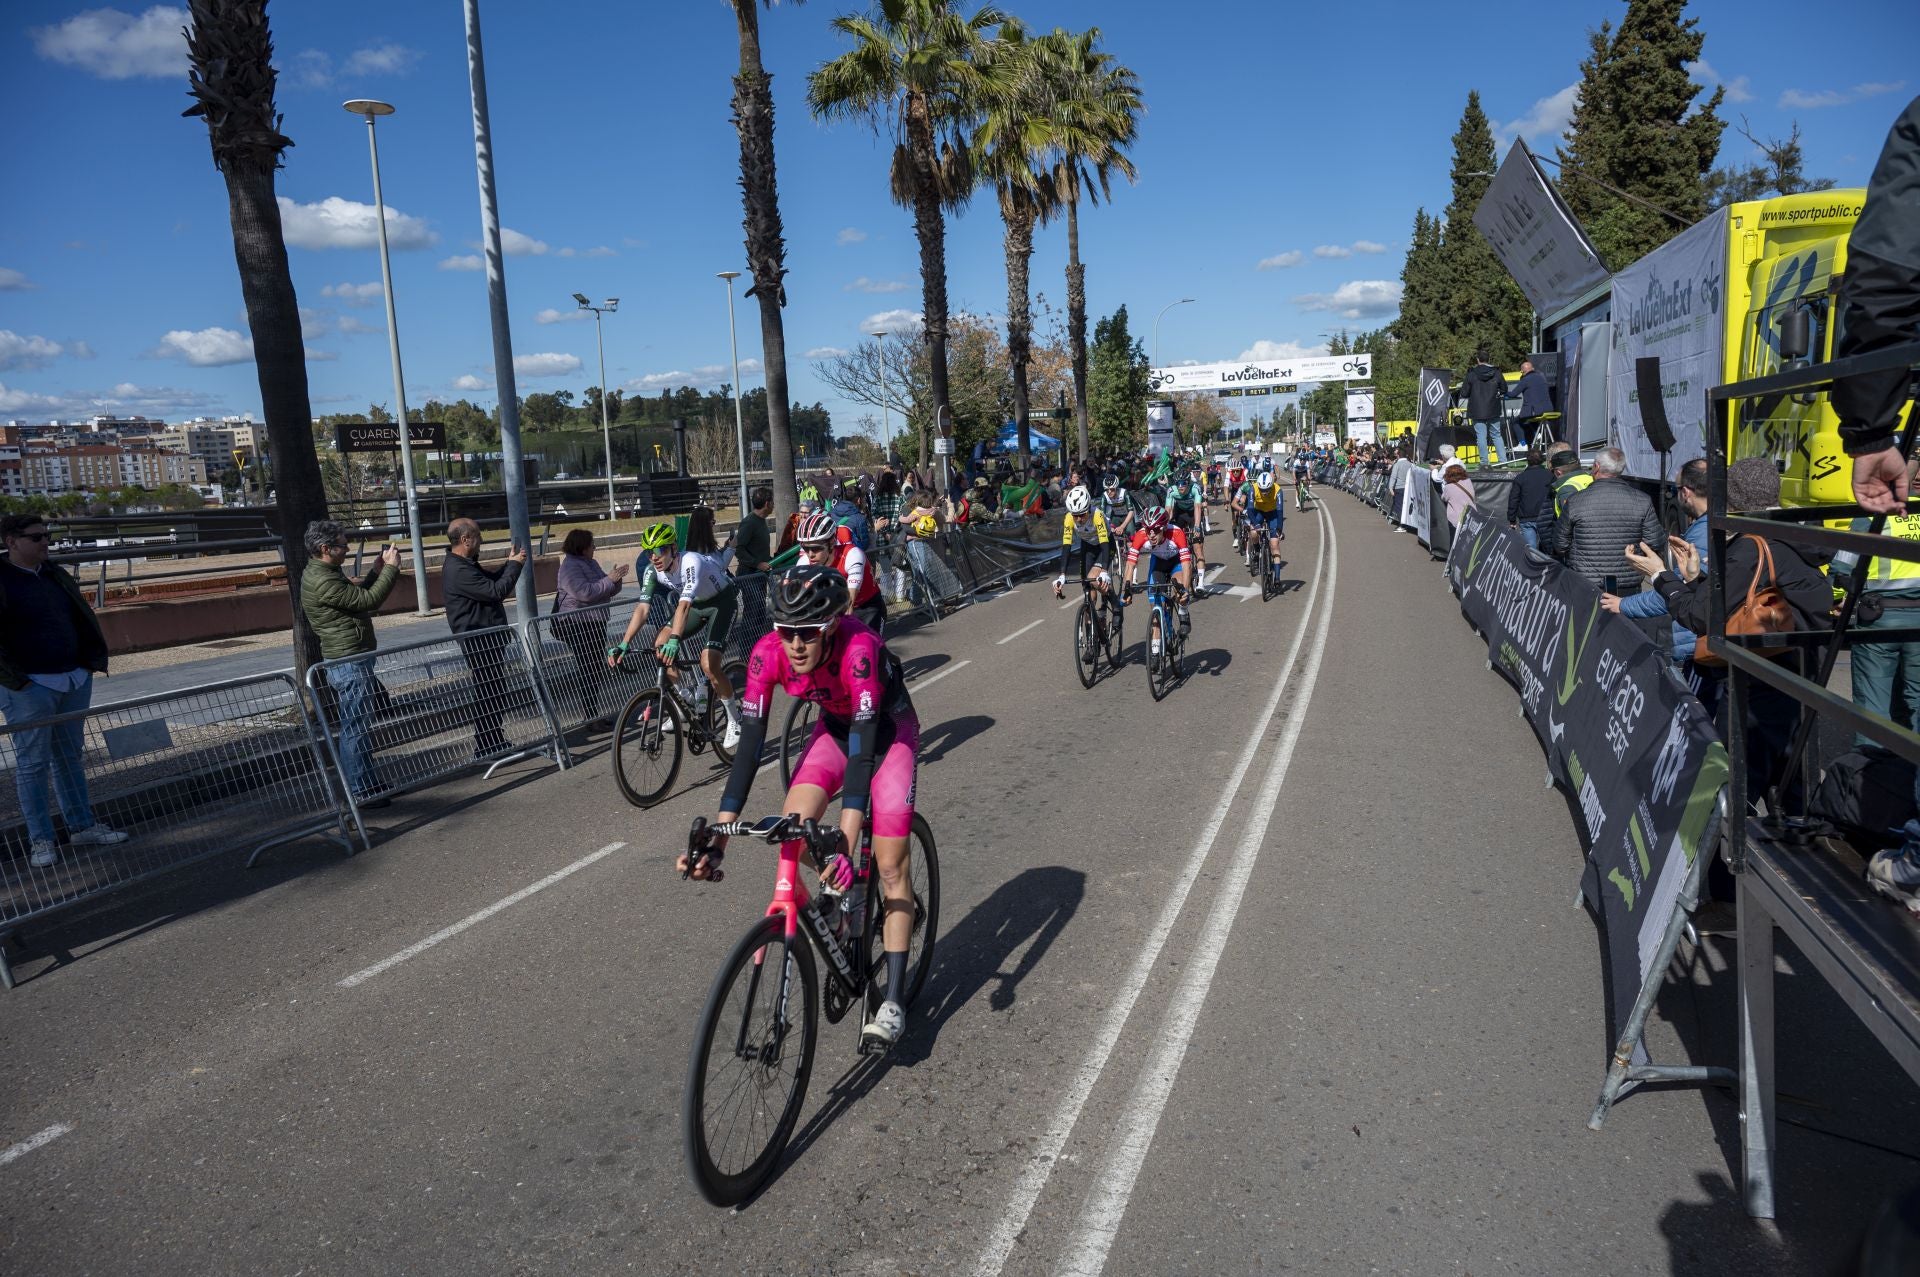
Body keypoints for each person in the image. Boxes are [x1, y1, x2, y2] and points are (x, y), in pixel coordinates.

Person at [689, 566, 922, 1049]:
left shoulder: (859, 650)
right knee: (795, 826)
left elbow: (863, 753)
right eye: (786, 630)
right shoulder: (766, 655)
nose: (795, 644)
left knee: (888, 861)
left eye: (808, 632)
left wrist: (846, 843)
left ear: (833, 625)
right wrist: (720, 836)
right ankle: (840, 911)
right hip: (836, 732)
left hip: (886, 734)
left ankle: (894, 1000)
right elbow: (750, 746)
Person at [1828, 92, 1920, 911]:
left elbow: (1889, 271)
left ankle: (1901, 840)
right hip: (1897, 597)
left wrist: (1870, 422)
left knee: (1883, 709)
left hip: (1887, 598)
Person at [1625, 458, 1833, 814]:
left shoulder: (1749, 546)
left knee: (1738, 780)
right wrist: (1695, 579)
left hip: (1762, 678)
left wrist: (1660, 576)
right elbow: (1735, 602)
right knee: (1790, 773)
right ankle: (1799, 837)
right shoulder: (1789, 534)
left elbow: (1700, 616)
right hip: (1795, 669)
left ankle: (1724, 860)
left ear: (1730, 498)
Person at [0, 513, 129, 868]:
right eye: (37, 537)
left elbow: (79, 616)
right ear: (12, 541)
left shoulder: (54, 574)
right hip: (29, 687)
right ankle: (40, 839)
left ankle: (81, 824)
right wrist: (20, 682)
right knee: (32, 764)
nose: (46, 543)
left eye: (48, 536)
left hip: (72, 678)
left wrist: (86, 665)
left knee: (69, 757)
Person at [609, 514, 744, 750]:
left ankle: (735, 719)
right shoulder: (653, 571)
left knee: (708, 664)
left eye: (659, 550)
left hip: (721, 602)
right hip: (697, 604)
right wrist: (624, 643)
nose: (654, 556)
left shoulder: (691, 561)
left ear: (672, 548)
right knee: (659, 643)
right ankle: (682, 699)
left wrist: (675, 639)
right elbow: (642, 609)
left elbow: (683, 605)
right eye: (649, 551)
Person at [301, 519, 402, 807]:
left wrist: (375, 572)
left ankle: (369, 782)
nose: (347, 549)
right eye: (343, 545)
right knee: (355, 727)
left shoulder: (325, 571)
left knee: (359, 726)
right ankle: (360, 790)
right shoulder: (323, 579)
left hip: (352, 655)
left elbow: (356, 599)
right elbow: (369, 601)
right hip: (348, 661)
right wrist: (392, 569)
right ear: (325, 548)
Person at [1603, 458, 1711, 670]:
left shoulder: (1702, 536)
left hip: (1698, 646)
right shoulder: (1712, 526)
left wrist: (1623, 604)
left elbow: (1677, 594)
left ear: (1686, 492)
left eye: (1677, 488)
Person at [441, 518, 528, 761]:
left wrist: (509, 564)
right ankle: (487, 744)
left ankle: (493, 740)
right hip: (478, 638)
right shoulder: (458, 569)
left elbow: (489, 583)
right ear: (465, 539)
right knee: (488, 691)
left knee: (494, 689)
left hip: (487, 635)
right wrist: (515, 567)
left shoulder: (465, 564)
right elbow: (495, 592)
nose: (482, 541)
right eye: (478, 536)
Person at [1551, 446, 1663, 588]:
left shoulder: (1575, 501)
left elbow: (1560, 544)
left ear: (1596, 467)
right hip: (1628, 582)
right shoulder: (1642, 500)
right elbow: (1655, 541)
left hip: (1586, 583)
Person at [553, 528, 629, 726]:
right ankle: (590, 716)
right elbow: (585, 593)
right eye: (591, 544)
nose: (594, 548)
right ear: (582, 547)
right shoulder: (569, 567)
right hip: (577, 623)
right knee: (588, 668)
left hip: (595, 621)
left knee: (595, 667)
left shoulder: (591, 563)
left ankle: (594, 713)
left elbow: (604, 589)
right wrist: (608, 580)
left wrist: (616, 580)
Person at [795, 509, 886, 634]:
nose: (810, 554)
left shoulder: (852, 554)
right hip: (834, 607)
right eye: (806, 548)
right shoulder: (804, 561)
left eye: (816, 548)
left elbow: (848, 603)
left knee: (869, 648)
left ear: (831, 542)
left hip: (867, 607)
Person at [1123, 507, 1193, 663]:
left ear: (1164, 527)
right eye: (1148, 530)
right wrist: (1126, 589)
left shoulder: (1176, 533)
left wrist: (1185, 591)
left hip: (1176, 564)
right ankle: (1155, 650)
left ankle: (1183, 612)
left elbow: (1187, 565)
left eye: (1155, 530)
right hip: (1158, 565)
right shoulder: (1142, 535)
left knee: (1179, 589)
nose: (1151, 534)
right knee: (1155, 606)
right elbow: (1130, 564)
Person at [1053, 484, 1117, 606]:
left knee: (1093, 578)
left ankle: (1114, 603)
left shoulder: (1097, 515)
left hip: (1105, 545)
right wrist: (1062, 575)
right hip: (1088, 546)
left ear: (1088, 508)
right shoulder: (1068, 518)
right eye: (1075, 515)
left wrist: (1104, 571)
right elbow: (1066, 547)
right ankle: (1091, 620)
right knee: (1087, 588)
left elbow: (1104, 542)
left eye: (1082, 514)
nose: (1078, 519)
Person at [1234, 470, 1285, 581]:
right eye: (1262, 490)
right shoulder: (1254, 488)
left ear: (1271, 486)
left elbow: (1280, 512)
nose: (1264, 493)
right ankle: (1257, 549)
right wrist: (1256, 524)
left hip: (1273, 513)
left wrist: (1279, 529)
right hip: (1259, 512)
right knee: (1253, 532)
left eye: (1267, 490)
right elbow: (1251, 510)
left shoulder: (1278, 490)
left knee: (1274, 545)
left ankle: (1277, 577)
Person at [1163, 465, 1209, 591]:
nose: (1180, 486)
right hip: (1180, 514)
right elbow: (1168, 510)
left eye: (1183, 483)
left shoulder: (1195, 488)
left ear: (1188, 482)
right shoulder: (1171, 490)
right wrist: (1165, 525)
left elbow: (1198, 507)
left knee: (1197, 548)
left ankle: (1200, 583)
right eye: (1178, 483)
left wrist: (1197, 527)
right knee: (1172, 541)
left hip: (1193, 514)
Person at [1463, 347, 1508, 468]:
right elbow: (1504, 389)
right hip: (1493, 408)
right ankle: (1503, 462)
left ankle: (1484, 462)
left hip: (1477, 409)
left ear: (1478, 360)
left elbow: (1464, 393)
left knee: (1481, 436)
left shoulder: (1471, 374)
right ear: (1489, 359)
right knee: (1496, 435)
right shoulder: (1497, 372)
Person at [1505, 447, 1556, 550]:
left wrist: (1512, 519)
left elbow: (1514, 499)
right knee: (1548, 550)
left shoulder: (1520, 478)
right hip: (1546, 518)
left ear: (1527, 460)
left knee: (1530, 551)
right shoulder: (1550, 476)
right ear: (1542, 460)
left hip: (1527, 519)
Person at [732, 486, 775, 576]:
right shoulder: (749, 523)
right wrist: (757, 564)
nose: (774, 505)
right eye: (772, 502)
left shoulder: (761, 520)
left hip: (759, 574)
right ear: (767, 504)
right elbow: (737, 548)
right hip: (749, 575)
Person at [1512, 357, 1553, 447]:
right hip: (1548, 410)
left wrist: (1503, 393)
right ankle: (1538, 435)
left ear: (1522, 371)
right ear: (1533, 369)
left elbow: (1513, 394)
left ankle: (1522, 445)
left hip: (1535, 411)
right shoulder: (1542, 378)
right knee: (1531, 420)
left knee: (1516, 422)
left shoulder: (1525, 379)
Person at [830, 476, 872, 551]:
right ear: (859, 500)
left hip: (835, 552)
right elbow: (864, 545)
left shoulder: (832, 512)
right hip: (851, 554)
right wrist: (874, 531)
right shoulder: (859, 518)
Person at [1097, 471, 1139, 545]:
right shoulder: (1104, 496)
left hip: (1127, 516)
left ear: (1117, 488)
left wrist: (1122, 526)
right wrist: (1108, 526)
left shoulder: (1124, 492)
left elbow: (1131, 511)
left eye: (1112, 489)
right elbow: (1101, 514)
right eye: (1107, 490)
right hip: (1115, 517)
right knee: (1111, 537)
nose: (1109, 492)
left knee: (1131, 539)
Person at [1549, 447, 1591, 518]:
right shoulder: (1592, 478)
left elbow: (1571, 520)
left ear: (1558, 472)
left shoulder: (1566, 489)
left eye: (1552, 471)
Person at [1441, 463, 1476, 531]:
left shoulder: (1448, 487)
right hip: (1471, 516)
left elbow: (1443, 498)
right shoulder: (1468, 481)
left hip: (1457, 520)